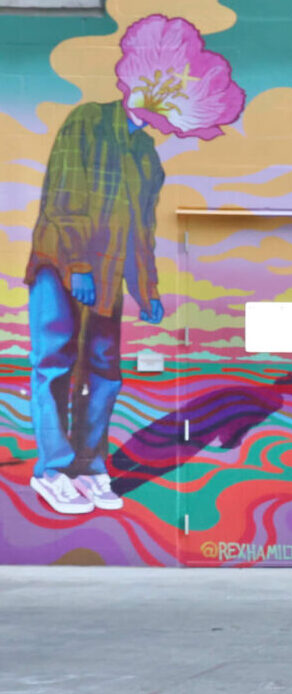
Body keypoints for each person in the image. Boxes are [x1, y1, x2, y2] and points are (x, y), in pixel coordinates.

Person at [25, 100, 167, 516]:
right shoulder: (87, 120)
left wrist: (147, 290)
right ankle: (53, 470)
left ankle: (88, 465)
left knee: (105, 371)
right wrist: (79, 266)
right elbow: (63, 194)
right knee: (53, 363)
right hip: (59, 265)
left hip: (107, 278)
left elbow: (144, 230)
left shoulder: (147, 154)